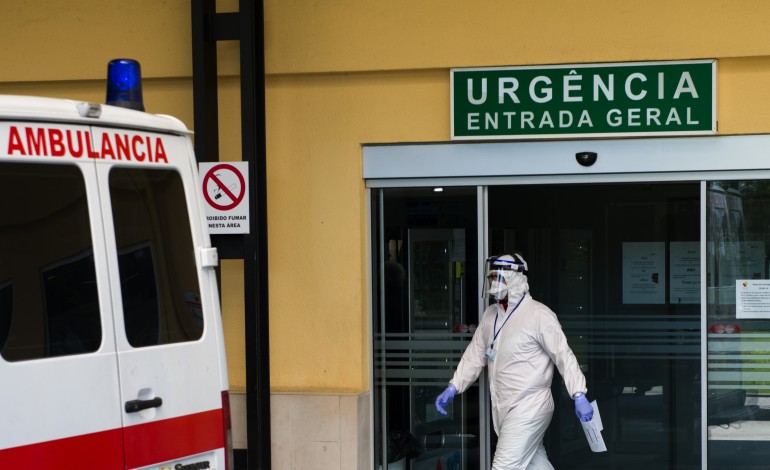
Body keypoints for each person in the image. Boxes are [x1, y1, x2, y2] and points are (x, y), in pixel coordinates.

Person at [435, 253, 593, 469]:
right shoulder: (491, 315)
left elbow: (563, 355)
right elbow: (475, 354)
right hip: (503, 406)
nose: (493, 283)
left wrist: (578, 393)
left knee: (504, 466)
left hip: (531, 404)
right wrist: (453, 387)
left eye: (498, 278)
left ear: (515, 279)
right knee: (535, 464)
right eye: (491, 278)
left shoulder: (539, 315)